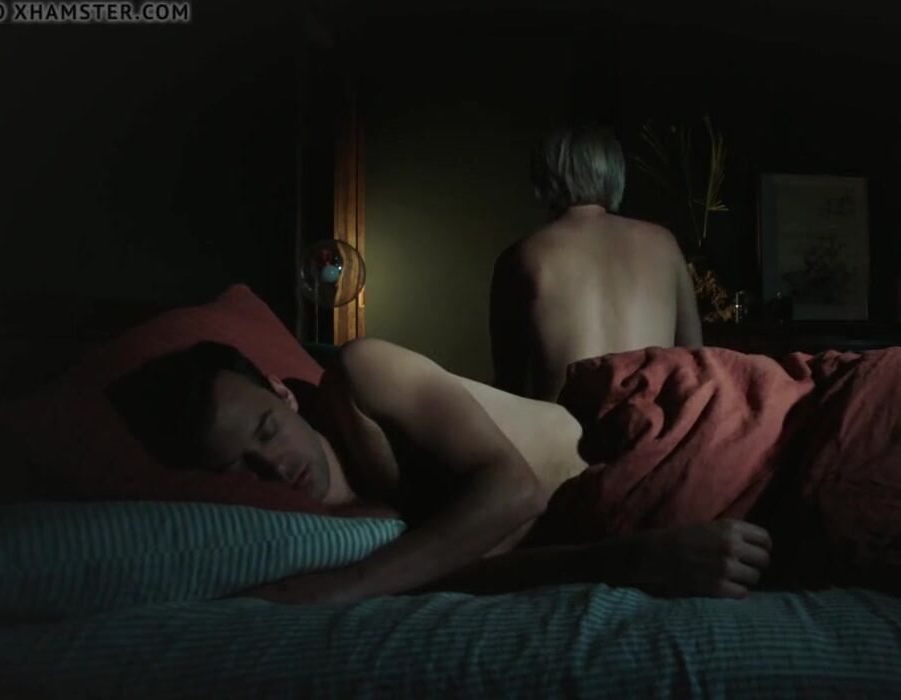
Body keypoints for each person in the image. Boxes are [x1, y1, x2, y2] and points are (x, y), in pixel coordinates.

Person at [107, 339, 773, 604]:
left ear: (283, 395)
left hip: (653, 439)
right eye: (240, 466)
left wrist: (343, 589)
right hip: (612, 518)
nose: (273, 466)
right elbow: (471, 566)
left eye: (267, 431)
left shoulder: (360, 375)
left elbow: (514, 490)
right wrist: (632, 560)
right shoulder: (338, 528)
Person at [490, 124, 702, 401]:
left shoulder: (522, 255)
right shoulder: (664, 243)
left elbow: (510, 384)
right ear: (614, 172)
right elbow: (695, 359)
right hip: (650, 422)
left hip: (565, 424)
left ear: (543, 175)